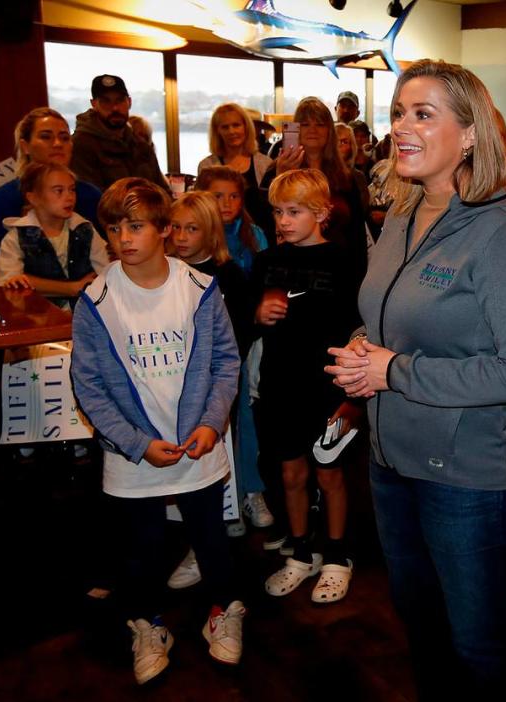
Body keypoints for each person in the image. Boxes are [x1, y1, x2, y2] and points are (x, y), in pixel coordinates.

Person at [325, 60, 506, 699]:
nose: (402, 126)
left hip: (467, 478)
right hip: (390, 460)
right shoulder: (399, 217)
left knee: (478, 645)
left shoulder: (503, 232)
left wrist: (394, 370)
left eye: (423, 114)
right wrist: (363, 346)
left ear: (472, 134)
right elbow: (389, 316)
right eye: (399, 112)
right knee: (420, 623)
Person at [70, 177, 244, 684]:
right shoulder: (97, 300)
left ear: (164, 230)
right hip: (134, 459)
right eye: (114, 228)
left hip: (197, 449)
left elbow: (225, 364)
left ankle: (224, 612)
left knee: (211, 539)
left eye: (137, 226)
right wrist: (136, 443)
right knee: (142, 548)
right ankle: (148, 625)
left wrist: (212, 424)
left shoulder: (199, 289)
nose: (124, 237)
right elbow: (91, 387)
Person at [253, 169, 360, 603]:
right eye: (277, 212)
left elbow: (360, 325)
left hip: (330, 388)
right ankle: (300, 552)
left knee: (330, 473)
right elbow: (248, 318)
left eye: (293, 211)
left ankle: (337, 556)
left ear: (320, 212)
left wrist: (352, 395)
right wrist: (257, 313)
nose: (283, 221)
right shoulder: (266, 263)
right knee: (291, 472)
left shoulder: (345, 261)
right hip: (280, 386)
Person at [164, 190, 272, 589]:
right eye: (175, 227)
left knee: (226, 449)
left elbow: (243, 326)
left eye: (191, 229)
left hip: (224, 380)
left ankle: (233, 510)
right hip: (174, 383)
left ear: (210, 234)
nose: (180, 236)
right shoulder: (164, 273)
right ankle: (192, 533)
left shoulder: (227, 276)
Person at [0, 107, 103, 280]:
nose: (57, 144)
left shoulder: (91, 195)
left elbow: (109, 257)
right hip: (27, 301)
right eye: (46, 137)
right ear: (25, 146)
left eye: (64, 138)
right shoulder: (2, 200)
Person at [262, 97, 369, 291]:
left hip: (340, 271)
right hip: (292, 271)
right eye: (304, 124)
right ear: (295, 130)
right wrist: (281, 177)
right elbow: (266, 221)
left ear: (330, 131)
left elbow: (357, 234)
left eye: (320, 124)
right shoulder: (275, 170)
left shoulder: (345, 177)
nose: (312, 129)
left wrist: (360, 276)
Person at [0, 162, 109, 309]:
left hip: (85, 314)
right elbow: (9, 283)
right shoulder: (16, 237)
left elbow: (105, 271)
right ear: (33, 198)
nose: (69, 197)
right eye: (59, 191)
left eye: (72, 190)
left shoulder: (85, 229)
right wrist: (71, 288)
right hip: (38, 318)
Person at [70, 75, 169, 191]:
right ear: (94, 104)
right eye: (106, 101)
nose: (115, 108)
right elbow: (92, 200)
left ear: (129, 102)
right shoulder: (81, 146)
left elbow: (162, 190)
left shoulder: (140, 145)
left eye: (120, 100)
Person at [197, 103, 274, 236]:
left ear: (246, 127)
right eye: (225, 127)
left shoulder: (265, 163)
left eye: (236, 125)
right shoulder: (207, 166)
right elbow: (203, 209)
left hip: (262, 237)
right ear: (217, 131)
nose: (232, 131)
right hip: (220, 237)